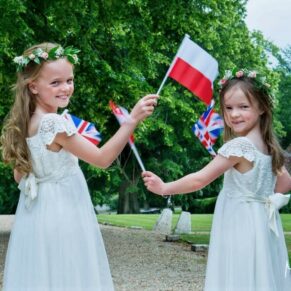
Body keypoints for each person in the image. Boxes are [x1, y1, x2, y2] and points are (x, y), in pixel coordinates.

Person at [1, 42, 158, 291]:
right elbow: (102, 158)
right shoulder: (53, 123)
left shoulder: (28, 121)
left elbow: (19, 177)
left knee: (45, 275)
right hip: (63, 211)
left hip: (37, 215)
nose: (66, 88)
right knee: (69, 274)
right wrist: (131, 120)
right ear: (33, 86)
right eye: (55, 83)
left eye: (69, 80)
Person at [142, 68, 291, 291]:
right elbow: (285, 183)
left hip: (239, 223)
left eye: (243, 107)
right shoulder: (270, 148)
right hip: (262, 225)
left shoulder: (239, 146)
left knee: (237, 275)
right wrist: (264, 198)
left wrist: (165, 187)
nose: (234, 114)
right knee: (258, 275)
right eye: (228, 108)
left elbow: (199, 180)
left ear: (261, 107)